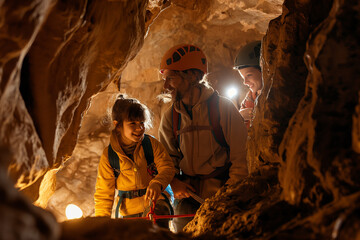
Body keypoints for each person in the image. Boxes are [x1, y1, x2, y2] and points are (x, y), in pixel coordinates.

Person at [158, 44, 248, 232]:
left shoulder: (223, 109)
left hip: (221, 193)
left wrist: (228, 196)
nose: (166, 86)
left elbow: (241, 159)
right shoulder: (171, 117)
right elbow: (166, 161)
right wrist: (174, 182)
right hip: (187, 197)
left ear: (192, 76)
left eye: (171, 78)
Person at [94, 95, 175, 228]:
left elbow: (167, 167)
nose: (139, 128)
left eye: (141, 123)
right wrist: (101, 225)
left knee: (156, 230)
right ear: (117, 125)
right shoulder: (109, 156)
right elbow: (104, 194)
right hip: (128, 211)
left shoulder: (150, 144)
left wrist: (157, 183)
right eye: (132, 123)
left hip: (156, 203)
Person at [233, 41, 263, 128]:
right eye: (243, 77)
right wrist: (239, 117)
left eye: (249, 75)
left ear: (263, 70)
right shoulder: (249, 100)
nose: (245, 82)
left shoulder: (277, 97)